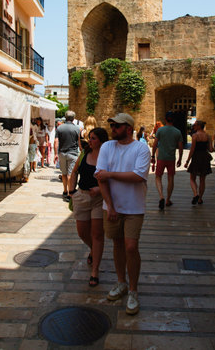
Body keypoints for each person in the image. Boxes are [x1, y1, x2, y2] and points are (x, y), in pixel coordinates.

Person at [95, 113, 151, 315]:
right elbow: (100, 178)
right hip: (112, 207)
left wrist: (110, 174)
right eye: (112, 125)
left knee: (131, 246)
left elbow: (138, 176)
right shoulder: (107, 147)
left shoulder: (141, 148)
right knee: (117, 244)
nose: (113, 129)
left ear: (128, 128)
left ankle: (133, 290)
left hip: (134, 207)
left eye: (117, 126)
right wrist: (109, 206)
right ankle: (121, 282)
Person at [69, 127, 109, 287]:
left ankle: (95, 271)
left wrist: (100, 189)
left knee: (98, 234)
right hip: (82, 196)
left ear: (101, 140)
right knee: (82, 232)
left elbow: (112, 177)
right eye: (90, 138)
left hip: (99, 199)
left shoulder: (107, 156)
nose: (89, 140)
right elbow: (74, 172)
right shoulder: (85, 153)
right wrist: (71, 191)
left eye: (93, 138)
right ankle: (94, 249)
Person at [151, 112, 183, 210]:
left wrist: (152, 156)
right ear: (173, 120)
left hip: (161, 158)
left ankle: (161, 196)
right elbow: (181, 147)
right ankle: (168, 200)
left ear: (165, 119)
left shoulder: (160, 130)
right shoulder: (177, 132)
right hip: (171, 159)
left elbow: (155, 144)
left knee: (158, 177)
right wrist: (180, 159)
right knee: (170, 179)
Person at [184, 120, 213, 205]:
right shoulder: (208, 136)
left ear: (199, 126)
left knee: (192, 178)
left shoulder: (195, 136)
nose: (193, 126)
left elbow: (192, 149)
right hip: (205, 157)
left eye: (195, 125)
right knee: (202, 180)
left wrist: (187, 161)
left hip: (196, 157)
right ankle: (200, 198)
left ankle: (195, 194)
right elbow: (211, 149)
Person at [54, 110, 81, 200]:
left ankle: (65, 191)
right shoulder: (77, 129)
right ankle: (70, 193)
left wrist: (55, 154)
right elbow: (79, 142)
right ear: (73, 118)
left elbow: (56, 141)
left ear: (65, 117)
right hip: (73, 153)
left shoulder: (60, 128)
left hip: (62, 153)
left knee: (64, 173)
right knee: (71, 174)